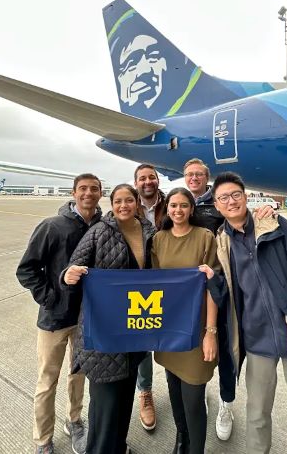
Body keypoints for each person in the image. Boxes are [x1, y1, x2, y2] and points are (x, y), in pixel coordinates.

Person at [209, 171, 287, 453]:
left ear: (246, 197)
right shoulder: (222, 243)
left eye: (236, 194)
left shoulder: (275, 225)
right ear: (216, 205)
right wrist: (210, 280)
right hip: (257, 342)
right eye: (223, 197)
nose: (231, 201)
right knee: (256, 418)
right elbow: (229, 294)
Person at [183, 158, 275, 441]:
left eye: (199, 174)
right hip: (189, 292)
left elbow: (241, 220)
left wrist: (266, 211)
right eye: (190, 174)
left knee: (225, 347)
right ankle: (201, 396)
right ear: (184, 177)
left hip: (221, 285)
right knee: (193, 351)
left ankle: (225, 402)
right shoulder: (179, 201)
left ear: (206, 178)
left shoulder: (220, 202)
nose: (194, 178)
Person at [62, 184, 155, 454]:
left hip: (135, 330)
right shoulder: (99, 232)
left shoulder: (149, 233)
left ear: (137, 203)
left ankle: (118, 447)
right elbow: (73, 266)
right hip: (103, 333)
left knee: (125, 400)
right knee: (104, 407)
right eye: (118, 201)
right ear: (112, 204)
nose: (123, 205)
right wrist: (69, 275)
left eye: (129, 200)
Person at [16, 173, 103, 454]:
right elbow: (27, 269)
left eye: (94, 189)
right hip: (54, 318)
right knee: (47, 380)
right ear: (74, 193)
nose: (88, 193)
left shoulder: (102, 227)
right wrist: (50, 298)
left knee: (78, 376)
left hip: (85, 319)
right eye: (83, 189)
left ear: (101, 193)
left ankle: (75, 420)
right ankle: (43, 439)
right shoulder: (52, 226)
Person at [151, 187, 219, 454]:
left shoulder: (205, 237)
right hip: (169, 328)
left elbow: (212, 288)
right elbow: (153, 286)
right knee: (175, 393)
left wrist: (210, 332)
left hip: (196, 329)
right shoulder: (158, 239)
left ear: (192, 209)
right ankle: (182, 438)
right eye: (173, 205)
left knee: (193, 399)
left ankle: (196, 448)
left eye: (183, 205)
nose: (178, 210)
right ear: (167, 209)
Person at [133, 163, 166, 430]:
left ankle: (186, 386)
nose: (147, 182)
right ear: (136, 183)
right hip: (141, 286)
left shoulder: (171, 204)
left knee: (174, 338)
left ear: (157, 180)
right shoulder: (127, 207)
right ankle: (145, 393)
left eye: (151, 177)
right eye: (142, 178)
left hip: (170, 283)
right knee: (142, 340)